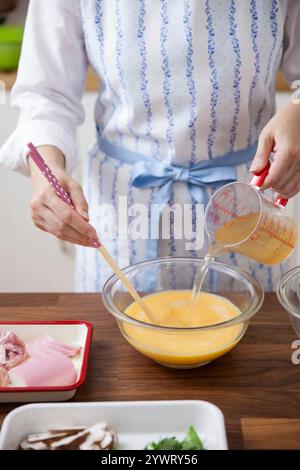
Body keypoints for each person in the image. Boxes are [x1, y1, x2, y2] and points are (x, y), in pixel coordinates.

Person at [1, 0, 300, 292]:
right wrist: (46, 170)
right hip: (120, 212)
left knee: (257, 332)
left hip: (248, 206)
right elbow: (46, 94)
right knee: (113, 332)